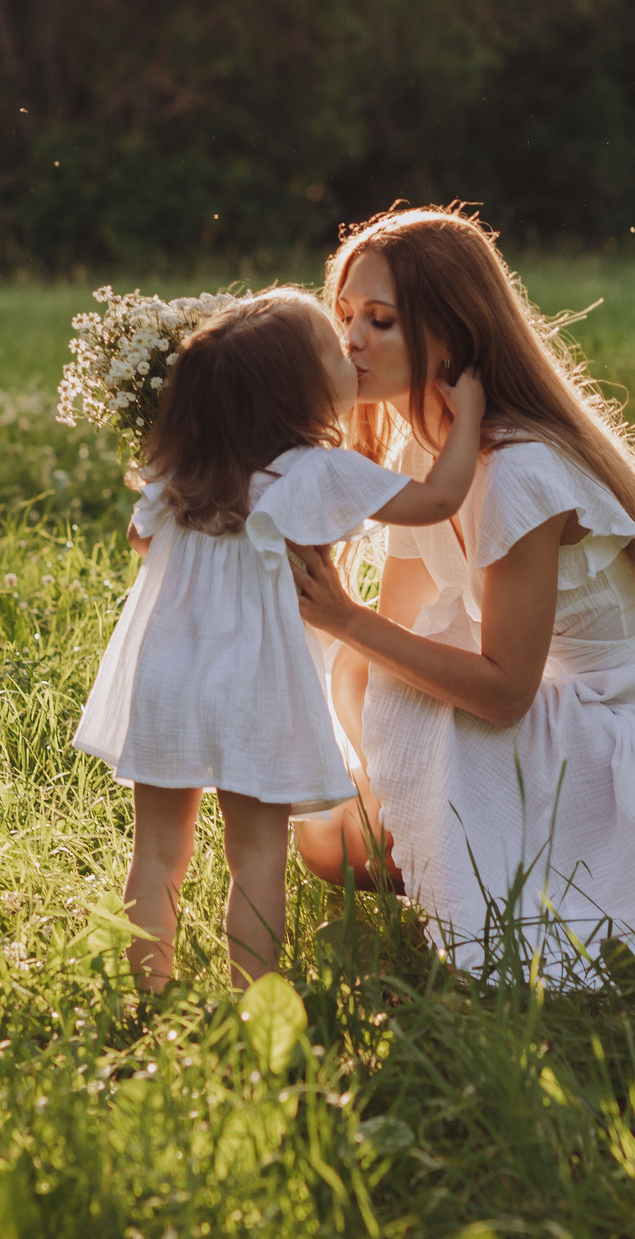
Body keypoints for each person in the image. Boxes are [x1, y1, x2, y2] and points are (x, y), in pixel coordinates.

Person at [289, 209, 635, 979]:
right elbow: (384, 639)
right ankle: (479, 870)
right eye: (344, 318)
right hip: (553, 704)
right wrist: (380, 781)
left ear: (451, 333)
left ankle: (512, 909)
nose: (351, 341)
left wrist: (343, 614)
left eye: (380, 320)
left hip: (625, 737)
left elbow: (503, 692)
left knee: (394, 690)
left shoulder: (517, 472)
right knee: (329, 837)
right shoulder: (422, 446)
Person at [73, 287, 485, 990]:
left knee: (158, 847)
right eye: (334, 346)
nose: (351, 351)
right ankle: (251, 998)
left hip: (168, 675)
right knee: (256, 854)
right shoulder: (316, 471)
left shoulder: (181, 470)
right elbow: (439, 500)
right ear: (297, 393)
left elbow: (143, 541)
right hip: (254, 684)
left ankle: (148, 991)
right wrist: (469, 411)